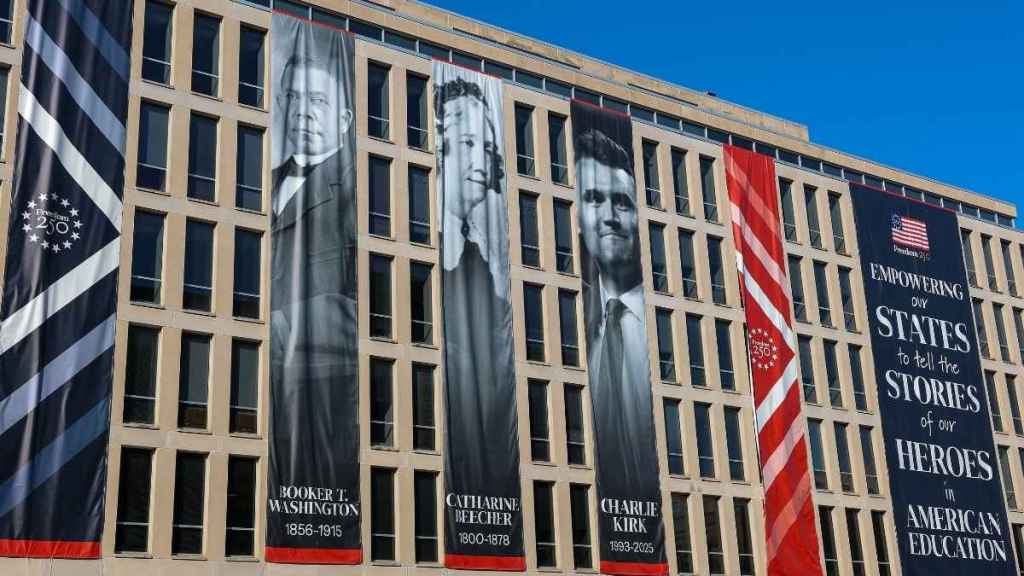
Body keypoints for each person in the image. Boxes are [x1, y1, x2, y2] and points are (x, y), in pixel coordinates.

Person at [269, 49, 358, 441]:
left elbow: (369, 305)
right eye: (294, 98)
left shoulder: (363, 192)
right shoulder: (258, 178)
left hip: (325, 397)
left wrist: (276, 326)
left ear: (345, 119)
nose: (303, 111)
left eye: (318, 100)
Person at [577, 127, 658, 489]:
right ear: (577, 217)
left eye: (622, 202)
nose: (610, 215)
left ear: (639, 218)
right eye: (594, 199)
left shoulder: (664, 331)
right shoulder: (571, 321)